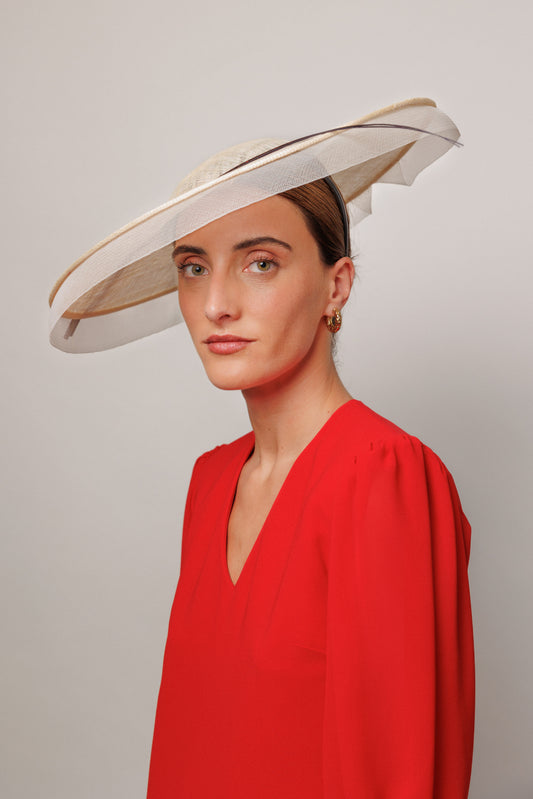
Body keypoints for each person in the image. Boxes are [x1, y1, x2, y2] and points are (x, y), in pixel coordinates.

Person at [49, 98, 475, 798]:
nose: (216, 303)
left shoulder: (384, 473)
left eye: (260, 263)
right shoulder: (211, 481)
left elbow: (395, 764)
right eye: (193, 267)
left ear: (335, 285)